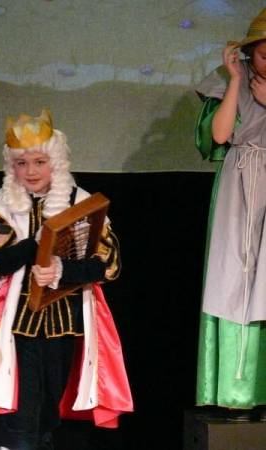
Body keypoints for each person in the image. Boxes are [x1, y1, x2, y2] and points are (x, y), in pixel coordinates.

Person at [0, 110, 132, 450]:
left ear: (55, 162)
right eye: (22, 163)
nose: (31, 171)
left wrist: (62, 270)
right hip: (18, 319)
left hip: (65, 317)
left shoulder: (82, 203)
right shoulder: (0, 205)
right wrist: (32, 246)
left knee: (51, 403)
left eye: (39, 162)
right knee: (21, 402)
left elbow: (109, 265)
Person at [194, 8, 266, 422]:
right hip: (240, 182)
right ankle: (236, 390)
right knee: (234, 279)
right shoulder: (232, 78)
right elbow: (220, 135)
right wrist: (237, 82)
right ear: (250, 52)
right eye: (264, 55)